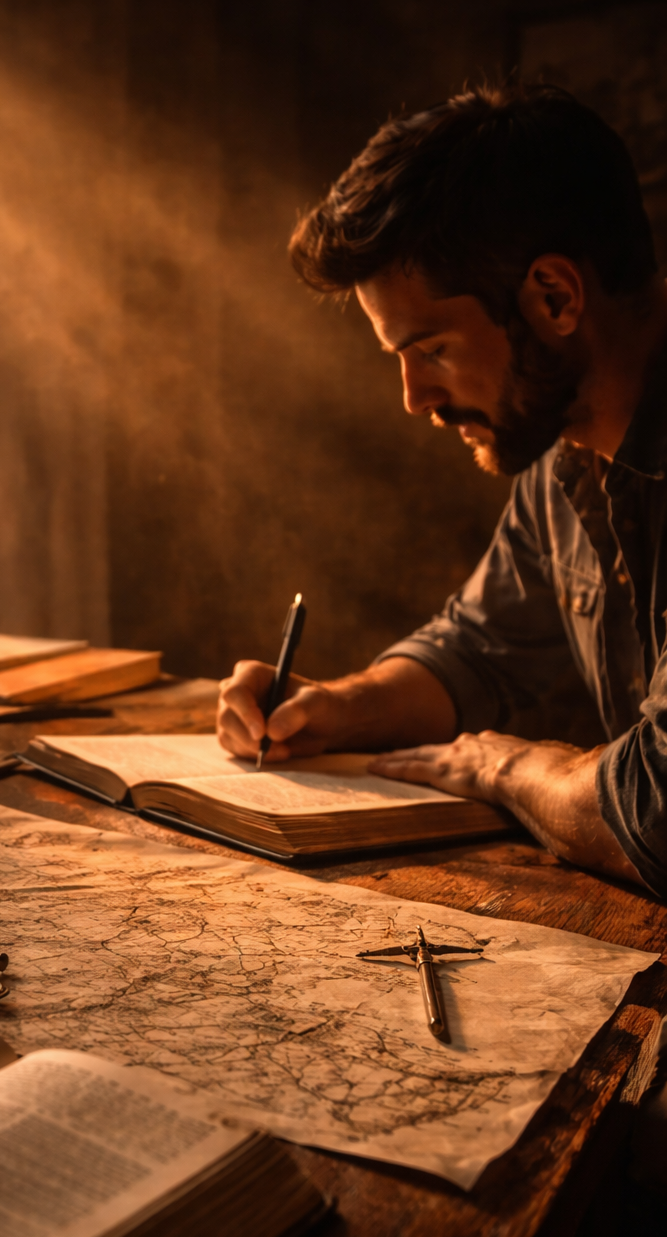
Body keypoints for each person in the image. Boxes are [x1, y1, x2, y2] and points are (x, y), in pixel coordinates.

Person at [217, 83, 667, 896]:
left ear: (555, 298)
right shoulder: (562, 457)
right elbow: (477, 649)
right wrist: (336, 705)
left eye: (432, 350)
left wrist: (507, 766)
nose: (414, 399)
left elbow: (658, 813)